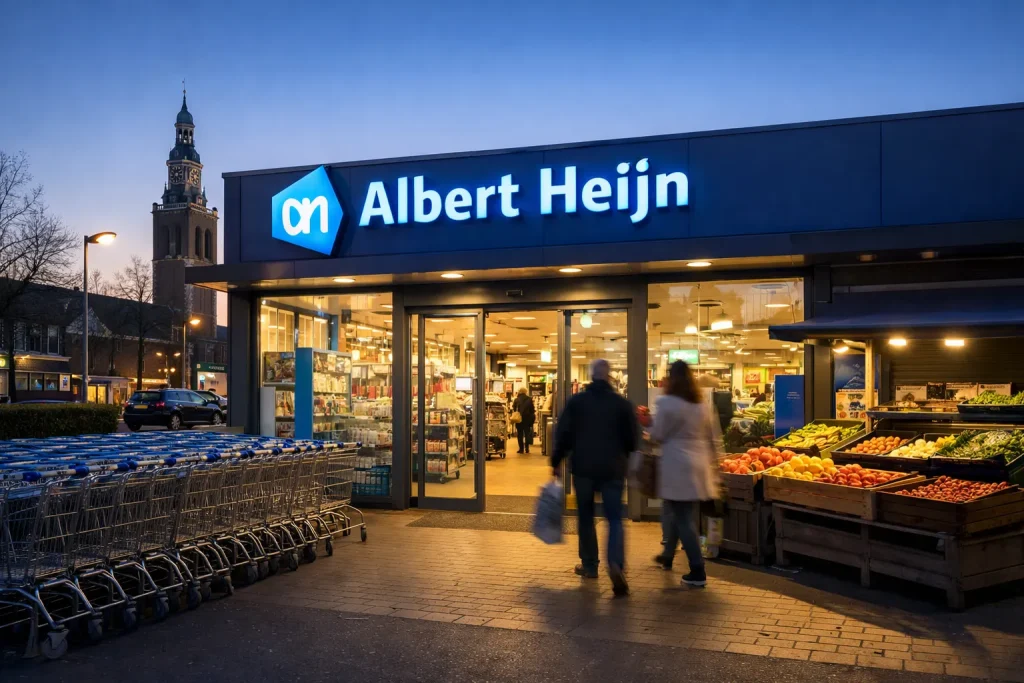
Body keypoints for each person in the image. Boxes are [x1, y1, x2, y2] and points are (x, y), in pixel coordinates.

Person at [551, 359, 638, 596]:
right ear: (609, 377)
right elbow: (632, 439)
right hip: (613, 469)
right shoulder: (621, 404)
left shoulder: (577, 402)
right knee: (614, 519)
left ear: (591, 377)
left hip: (584, 468)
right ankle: (616, 564)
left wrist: (556, 461)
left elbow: (563, 433)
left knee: (586, 517)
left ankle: (590, 565)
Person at [650, 360, 722, 588]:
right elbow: (713, 437)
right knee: (676, 511)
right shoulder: (701, 404)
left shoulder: (668, 403)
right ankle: (667, 556)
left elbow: (658, 434)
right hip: (698, 466)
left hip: (677, 466)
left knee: (682, 518)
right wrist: (717, 466)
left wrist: (646, 427)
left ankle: (697, 570)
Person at [513, 387, 536, 454]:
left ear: (519, 392)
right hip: (527, 419)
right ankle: (527, 449)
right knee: (527, 434)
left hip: (519, 418)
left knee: (520, 434)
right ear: (526, 392)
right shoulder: (529, 399)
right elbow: (532, 409)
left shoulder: (516, 399)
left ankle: (521, 449)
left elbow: (514, 409)